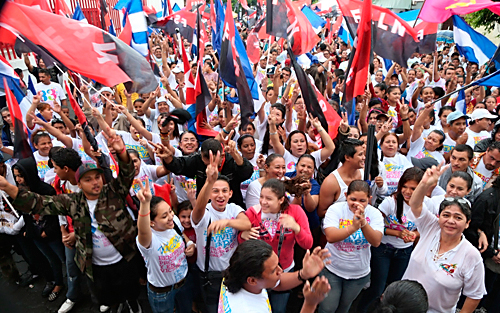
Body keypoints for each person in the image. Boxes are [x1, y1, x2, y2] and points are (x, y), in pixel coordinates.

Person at [0, 129, 143, 313]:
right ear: (79, 184)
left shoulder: (113, 192)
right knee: (106, 296)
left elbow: (127, 173)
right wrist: (6, 187)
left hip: (124, 258)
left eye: (97, 177)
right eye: (88, 179)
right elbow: (39, 203)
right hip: (95, 265)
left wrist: (122, 152)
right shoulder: (72, 202)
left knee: (130, 291)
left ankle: (133, 305)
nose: (95, 182)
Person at [405, 164, 486, 313]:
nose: (450, 221)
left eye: (458, 217)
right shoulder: (431, 226)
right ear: (439, 216)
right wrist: (425, 184)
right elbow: (415, 204)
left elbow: (474, 296)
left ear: (467, 224)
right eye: (446, 215)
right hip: (404, 306)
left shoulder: (471, 256)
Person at [190, 150, 252, 313]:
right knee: (212, 309)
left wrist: (227, 222)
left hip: (232, 271)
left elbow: (246, 224)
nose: (220, 195)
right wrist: (209, 181)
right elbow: (197, 210)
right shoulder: (205, 212)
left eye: (224, 191)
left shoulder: (233, 208)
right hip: (209, 274)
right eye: (215, 191)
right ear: (209, 194)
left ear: (231, 193)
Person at [239, 178, 313, 313]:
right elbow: (242, 245)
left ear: (281, 200)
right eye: (261, 197)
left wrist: (296, 228)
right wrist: (242, 235)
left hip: (284, 271)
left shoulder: (295, 211)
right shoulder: (252, 213)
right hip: (259, 273)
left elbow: (308, 243)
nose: (263, 202)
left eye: (269, 198)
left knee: (279, 309)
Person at [358, 167, 424, 313]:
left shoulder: (426, 205)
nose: (407, 192)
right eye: (404, 187)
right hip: (383, 249)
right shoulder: (390, 202)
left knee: (393, 289)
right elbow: (376, 226)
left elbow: (426, 229)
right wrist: (397, 234)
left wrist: (414, 235)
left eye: (413, 188)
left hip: (404, 252)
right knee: (377, 288)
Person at [320, 180, 384, 313]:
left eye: (362, 201)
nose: (357, 204)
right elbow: (331, 237)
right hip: (332, 268)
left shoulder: (375, 214)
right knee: (327, 308)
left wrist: (363, 223)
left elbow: (376, 241)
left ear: (369, 199)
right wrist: (353, 227)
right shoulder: (336, 209)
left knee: (344, 307)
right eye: (353, 199)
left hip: (358, 273)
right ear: (346, 195)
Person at [219, 239, 331, 313]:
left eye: (277, 264)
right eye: (273, 270)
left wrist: (303, 274)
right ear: (252, 280)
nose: (280, 270)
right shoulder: (247, 310)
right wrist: (310, 304)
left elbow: (277, 283)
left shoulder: (234, 275)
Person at [135, 179, 194, 313]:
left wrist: (190, 243)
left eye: (170, 211)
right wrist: (144, 204)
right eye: (164, 216)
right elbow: (142, 230)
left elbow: (182, 234)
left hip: (184, 283)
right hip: (162, 293)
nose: (170, 217)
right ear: (151, 223)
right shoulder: (148, 240)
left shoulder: (174, 222)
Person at [159, 138, 254, 208]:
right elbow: (178, 165)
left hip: (232, 206)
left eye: (215, 159)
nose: (212, 164)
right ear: (201, 156)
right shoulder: (197, 160)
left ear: (222, 155)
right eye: (207, 160)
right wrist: (167, 157)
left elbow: (247, 172)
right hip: (206, 208)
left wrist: (235, 154)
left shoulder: (231, 160)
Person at [318, 139, 366, 217]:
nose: (364, 158)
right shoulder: (331, 182)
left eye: (364, 154)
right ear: (347, 157)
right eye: (360, 155)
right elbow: (321, 212)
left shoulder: (364, 173)